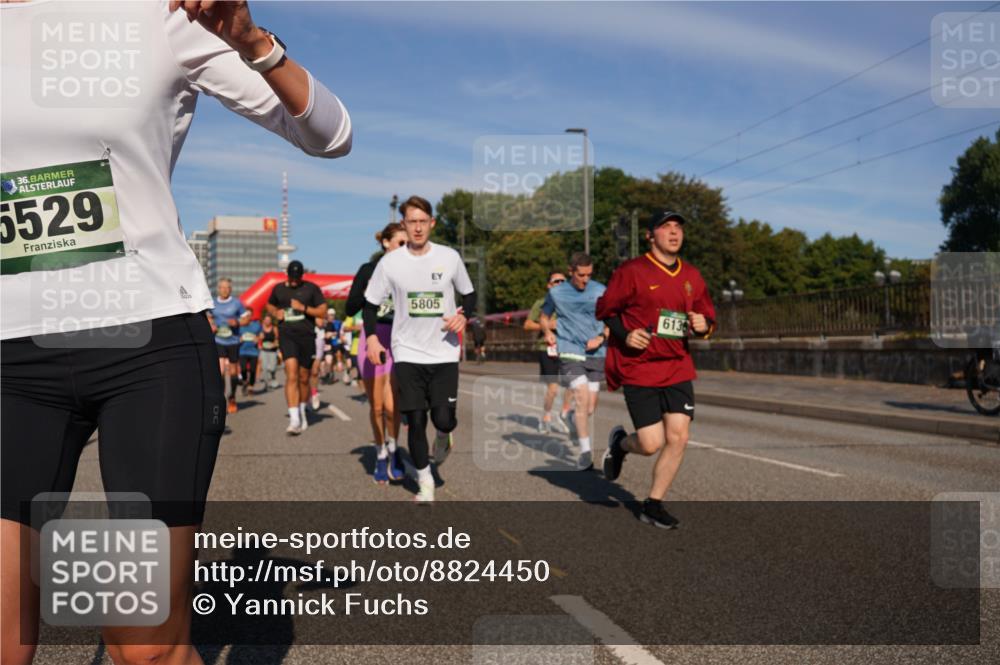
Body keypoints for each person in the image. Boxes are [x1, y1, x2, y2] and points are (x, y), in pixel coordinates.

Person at [0, 1, 352, 663]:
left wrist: (248, 38)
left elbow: (330, 133)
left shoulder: (160, 16)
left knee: (143, 648)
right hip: (11, 357)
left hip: (146, 348)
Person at [597, 211, 716, 529]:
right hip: (640, 368)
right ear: (650, 235)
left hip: (677, 366)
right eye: (666, 228)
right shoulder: (631, 271)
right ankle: (620, 444)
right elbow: (605, 311)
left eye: (679, 227)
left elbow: (706, 316)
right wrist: (625, 334)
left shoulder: (692, 275)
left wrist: (704, 325)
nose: (674, 233)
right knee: (651, 444)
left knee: (679, 437)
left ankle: (653, 504)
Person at [364, 196, 476, 503]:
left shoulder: (449, 257)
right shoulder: (390, 263)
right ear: (404, 225)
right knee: (414, 419)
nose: (417, 228)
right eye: (411, 222)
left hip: (444, 352)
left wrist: (463, 316)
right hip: (407, 351)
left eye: (422, 222)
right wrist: (372, 338)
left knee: (443, 419)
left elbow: (469, 294)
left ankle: (444, 435)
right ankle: (425, 481)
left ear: (432, 224)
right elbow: (370, 304)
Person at [346, 221, 408, 484]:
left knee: (393, 407)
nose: (406, 248)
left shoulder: (412, 270)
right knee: (378, 406)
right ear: (386, 243)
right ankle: (381, 453)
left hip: (398, 341)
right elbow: (350, 307)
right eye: (401, 243)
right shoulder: (369, 269)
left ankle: (394, 451)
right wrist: (369, 290)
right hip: (372, 339)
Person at [539, 253, 608, 471]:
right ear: (571, 272)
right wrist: (547, 331)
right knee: (581, 396)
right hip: (569, 350)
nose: (585, 280)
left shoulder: (600, 290)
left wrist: (601, 337)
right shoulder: (556, 292)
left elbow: (611, 321)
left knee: (589, 407)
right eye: (581, 275)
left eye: (589, 275)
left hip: (596, 352)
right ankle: (586, 454)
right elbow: (543, 316)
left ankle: (568, 417)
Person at [266, 260, 329, 434]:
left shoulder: (311, 288)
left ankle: (301, 409)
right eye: (291, 278)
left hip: (307, 336)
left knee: (303, 377)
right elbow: (269, 304)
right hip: (287, 335)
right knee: (291, 373)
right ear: (287, 275)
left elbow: (322, 310)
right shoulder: (279, 289)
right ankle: (294, 419)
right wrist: (274, 312)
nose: (294, 281)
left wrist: (304, 308)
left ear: (302, 276)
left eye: (297, 278)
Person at [524, 270, 573, 434]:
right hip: (547, 349)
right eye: (556, 281)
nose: (560, 284)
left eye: (563, 281)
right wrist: (546, 326)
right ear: (549, 285)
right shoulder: (541, 303)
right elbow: (527, 324)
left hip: (568, 347)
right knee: (553, 388)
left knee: (573, 384)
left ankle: (564, 413)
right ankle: (545, 418)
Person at [211, 278, 251, 412]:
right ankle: (221, 399)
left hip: (233, 341)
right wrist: (211, 324)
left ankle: (232, 397)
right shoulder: (213, 302)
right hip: (218, 340)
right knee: (220, 370)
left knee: (233, 372)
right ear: (218, 288)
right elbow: (207, 316)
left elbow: (247, 318)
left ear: (231, 289)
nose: (225, 290)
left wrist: (238, 322)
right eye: (222, 287)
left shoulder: (236, 303)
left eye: (228, 288)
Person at [238, 313, 264, 397]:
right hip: (242, 351)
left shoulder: (256, 325)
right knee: (243, 369)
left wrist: (259, 338)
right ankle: (245, 381)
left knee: (253, 371)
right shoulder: (240, 326)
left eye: (245, 317)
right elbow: (234, 335)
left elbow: (262, 334)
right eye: (243, 317)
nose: (243, 319)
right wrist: (239, 339)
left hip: (253, 352)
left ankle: (250, 388)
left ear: (249, 317)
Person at [259, 314, 281, 390]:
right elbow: (257, 338)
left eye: (269, 320)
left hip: (272, 350)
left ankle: (273, 378)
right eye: (266, 320)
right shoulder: (260, 328)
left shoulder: (274, 328)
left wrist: (275, 344)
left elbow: (277, 338)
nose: (267, 321)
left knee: (272, 367)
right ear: (263, 321)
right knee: (264, 367)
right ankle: (266, 384)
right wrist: (259, 340)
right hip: (264, 350)